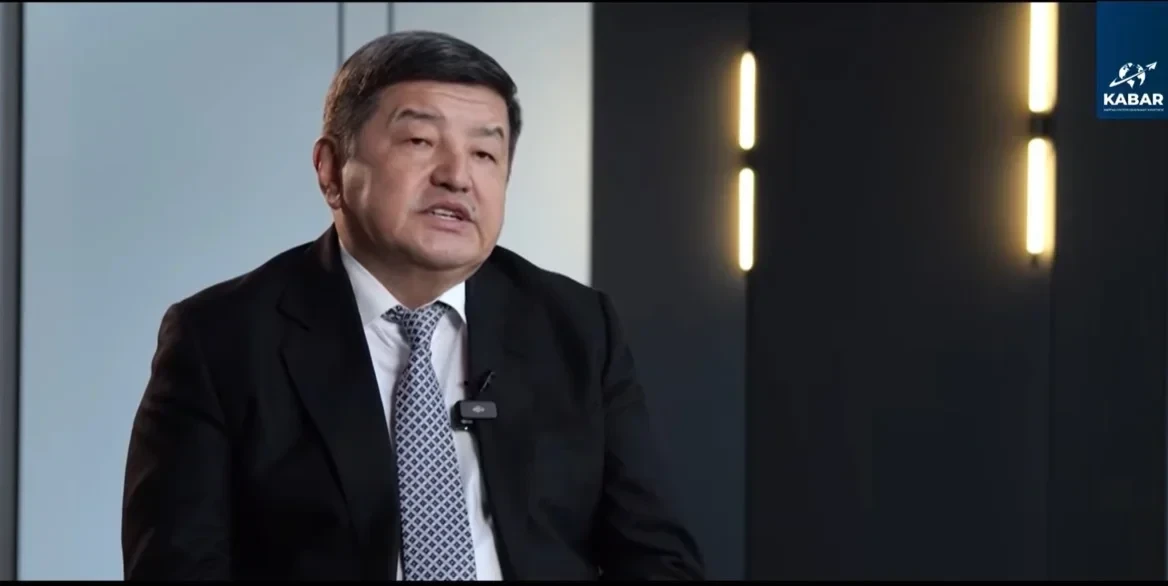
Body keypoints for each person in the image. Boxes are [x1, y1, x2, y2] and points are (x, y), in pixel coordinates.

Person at [120, 30, 704, 581]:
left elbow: (658, 559)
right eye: (420, 142)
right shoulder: (221, 339)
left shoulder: (576, 327)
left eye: (485, 153)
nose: (457, 177)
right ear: (331, 170)